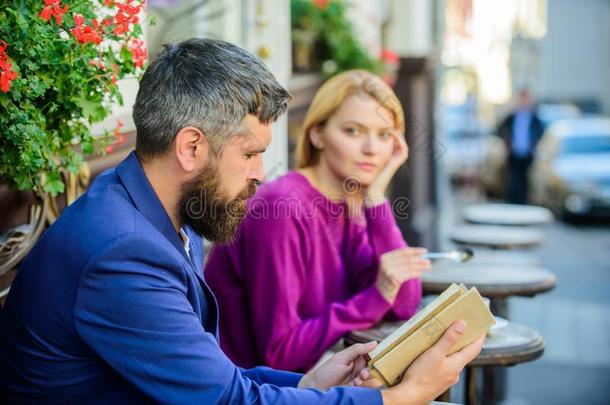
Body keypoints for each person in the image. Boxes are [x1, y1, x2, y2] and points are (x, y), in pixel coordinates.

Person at [0, 38, 484, 404]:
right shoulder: (123, 251)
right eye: (251, 153)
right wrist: (396, 398)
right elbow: (229, 399)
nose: (260, 174)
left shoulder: (162, 210)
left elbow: (217, 379)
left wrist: (311, 382)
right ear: (191, 147)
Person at [206, 70, 427, 372]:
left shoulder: (351, 202)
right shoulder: (283, 208)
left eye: (384, 135)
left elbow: (403, 304)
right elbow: (280, 355)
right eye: (353, 131)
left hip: (306, 380)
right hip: (247, 391)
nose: (372, 149)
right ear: (317, 134)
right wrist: (374, 297)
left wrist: (376, 199)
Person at [497, 89, 544, 204]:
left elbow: (540, 132)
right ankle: (513, 203)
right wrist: (507, 142)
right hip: (514, 154)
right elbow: (500, 130)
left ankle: (524, 203)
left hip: (528, 155)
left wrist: (534, 144)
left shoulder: (534, 119)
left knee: (526, 181)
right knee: (513, 181)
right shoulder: (511, 118)